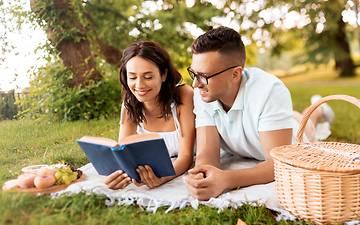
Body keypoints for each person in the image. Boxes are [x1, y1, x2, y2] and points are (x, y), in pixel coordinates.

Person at [183, 26, 334, 201]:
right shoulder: (204, 92)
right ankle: (293, 113)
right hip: (263, 123)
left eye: (204, 76)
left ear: (235, 74)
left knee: (307, 124)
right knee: (289, 115)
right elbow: (207, 152)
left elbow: (279, 163)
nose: (195, 84)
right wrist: (201, 174)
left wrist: (226, 180)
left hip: (290, 134)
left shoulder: (269, 90)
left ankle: (318, 109)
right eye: (194, 73)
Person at [104, 41, 196, 190]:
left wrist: (162, 179)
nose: (139, 85)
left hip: (185, 163)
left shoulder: (183, 95)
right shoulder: (130, 103)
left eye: (147, 77)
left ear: (164, 75)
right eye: (132, 77)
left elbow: (185, 157)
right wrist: (119, 175)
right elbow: (123, 151)